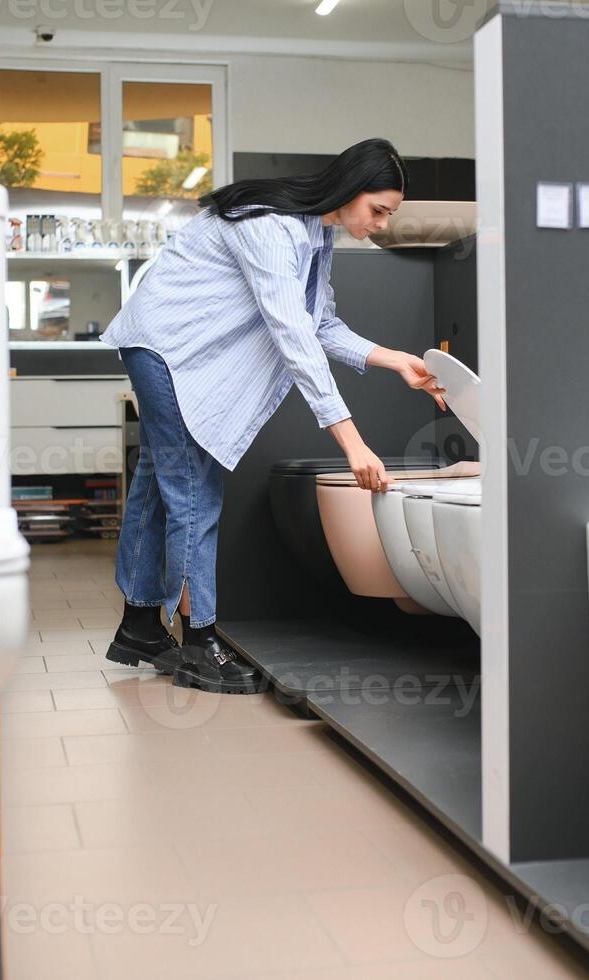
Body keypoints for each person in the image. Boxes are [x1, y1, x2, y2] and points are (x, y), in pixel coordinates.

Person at [98, 138, 447, 695]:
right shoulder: (271, 225)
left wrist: (393, 360)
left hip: (170, 349)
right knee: (192, 486)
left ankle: (140, 625)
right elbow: (293, 336)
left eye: (388, 215)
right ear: (349, 191)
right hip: (166, 348)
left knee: (159, 485)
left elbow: (320, 324)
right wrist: (352, 441)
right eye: (377, 211)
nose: (381, 225)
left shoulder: (314, 233)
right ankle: (199, 643)